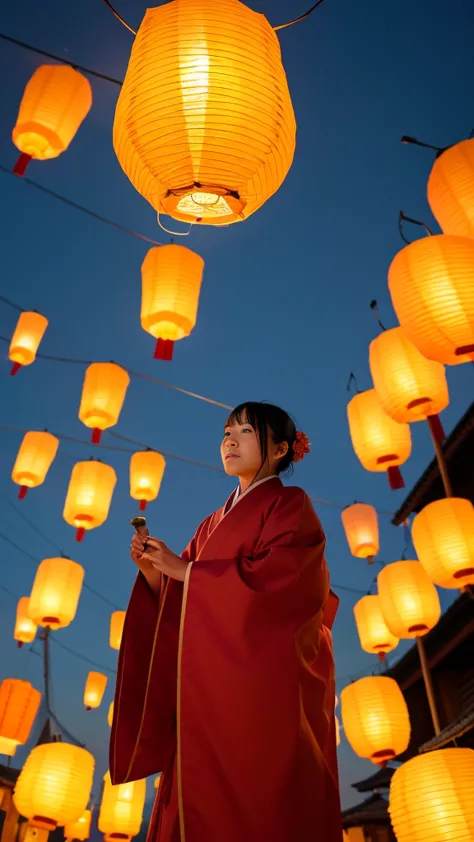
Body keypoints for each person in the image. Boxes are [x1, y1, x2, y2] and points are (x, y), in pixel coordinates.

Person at [110, 402, 342, 842]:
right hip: (206, 692)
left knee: (258, 808)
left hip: (259, 695)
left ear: (278, 449)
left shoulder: (290, 505)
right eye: (225, 432)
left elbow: (287, 585)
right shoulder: (210, 523)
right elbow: (182, 599)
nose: (230, 440)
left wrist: (187, 572)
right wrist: (156, 572)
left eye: (245, 431)